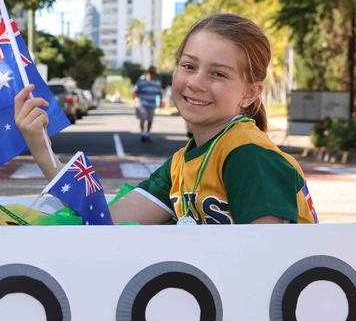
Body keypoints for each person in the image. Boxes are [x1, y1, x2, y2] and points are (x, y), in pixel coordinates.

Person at [16, 13, 317, 225]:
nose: (196, 83)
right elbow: (105, 220)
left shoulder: (249, 155)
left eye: (218, 74)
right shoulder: (181, 164)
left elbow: (268, 262)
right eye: (189, 66)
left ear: (250, 93)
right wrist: (39, 145)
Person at [133, 67, 163, 143]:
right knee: (143, 118)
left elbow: (159, 93)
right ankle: (143, 134)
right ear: (148, 73)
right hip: (142, 103)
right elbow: (136, 91)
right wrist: (136, 100)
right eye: (151, 73)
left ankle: (147, 134)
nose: (152, 75)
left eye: (154, 74)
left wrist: (159, 103)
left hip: (152, 104)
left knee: (150, 120)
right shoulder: (141, 81)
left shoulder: (157, 82)